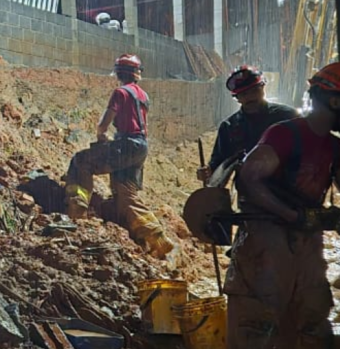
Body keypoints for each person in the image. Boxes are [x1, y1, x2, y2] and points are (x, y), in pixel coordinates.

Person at [224, 61, 340, 349]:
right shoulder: (284, 134)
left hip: (306, 240)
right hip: (265, 238)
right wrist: (293, 215)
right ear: (335, 101)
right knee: (257, 319)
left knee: (312, 315)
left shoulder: (336, 148)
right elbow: (249, 179)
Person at [62, 54, 175, 259]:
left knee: (81, 161)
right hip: (141, 146)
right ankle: (156, 236)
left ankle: (78, 210)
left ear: (119, 73)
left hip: (126, 144)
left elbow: (104, 124)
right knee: (126, 194)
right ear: (137, 73)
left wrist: (101, 135)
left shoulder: (120, 92)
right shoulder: (143, 96)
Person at [200, 66, 299, 186]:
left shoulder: (288, 117)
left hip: (289, 189)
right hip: (249, 192)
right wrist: (209, 172)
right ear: (237, 98)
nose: (250, 97)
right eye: (244, 94)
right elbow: (220, 164)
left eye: (254, 91)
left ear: (263, 87)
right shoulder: (229, 127)